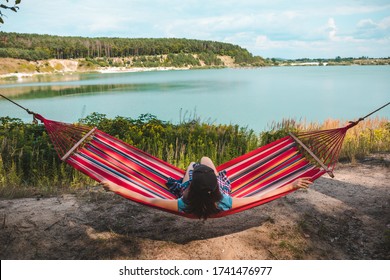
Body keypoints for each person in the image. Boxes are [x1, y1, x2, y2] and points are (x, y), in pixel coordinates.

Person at [101, 156, 312, 219]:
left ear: (191, 186)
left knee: (193, 164)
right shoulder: (225, 201)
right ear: (217, 185)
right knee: (205, 159)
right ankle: (205, 170)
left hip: (195, 188)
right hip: (206, 188)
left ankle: (194, 170)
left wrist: (116, 187)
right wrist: (291, 185)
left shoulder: (183, 203)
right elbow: (258, 197)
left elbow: (148, 199)